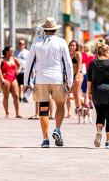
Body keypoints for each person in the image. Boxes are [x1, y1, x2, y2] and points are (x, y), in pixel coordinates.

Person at [24, 17, 73, 148]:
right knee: (60, 105)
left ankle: (45, 139)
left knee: (43, 109)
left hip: (41, 80)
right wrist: (70, 81)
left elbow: (29, 64)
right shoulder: (61, 42)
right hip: (58, 80)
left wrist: (26, 82)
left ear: (44, 29)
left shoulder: (37, 42)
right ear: (55, 29)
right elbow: (68, 63)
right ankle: (57, 129)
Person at [1, 46, 22, 118]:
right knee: (6, 96)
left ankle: (17, 113)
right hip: (5, 79)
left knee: (16, 96)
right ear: (7, 52)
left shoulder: (14, 58)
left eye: (13, 51)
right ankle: (7, 113)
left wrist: (18, 70)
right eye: (11, 51)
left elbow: (20, 65)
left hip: (13, 78)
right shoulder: (2, 60)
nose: (12, 52)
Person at [67, 40, 83, 116]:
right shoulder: (68, 54)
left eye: (73, 45)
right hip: (70, 76)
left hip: (78, 75)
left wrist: (76, 76)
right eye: (71, 45)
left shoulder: (78, 54)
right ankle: (69, 112)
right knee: (66, 93)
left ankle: (79, 111)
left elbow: (80, 65)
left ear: (76, 47)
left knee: (76, 94)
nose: (72, 47)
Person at [81, 42, 95, 107]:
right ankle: (91, 101)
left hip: (85, 73)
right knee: (91, 88)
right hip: (92, 74)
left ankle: (85, 102)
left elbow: (81, 62)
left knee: (84, 88)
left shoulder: (83, 54)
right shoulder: (93, 56)